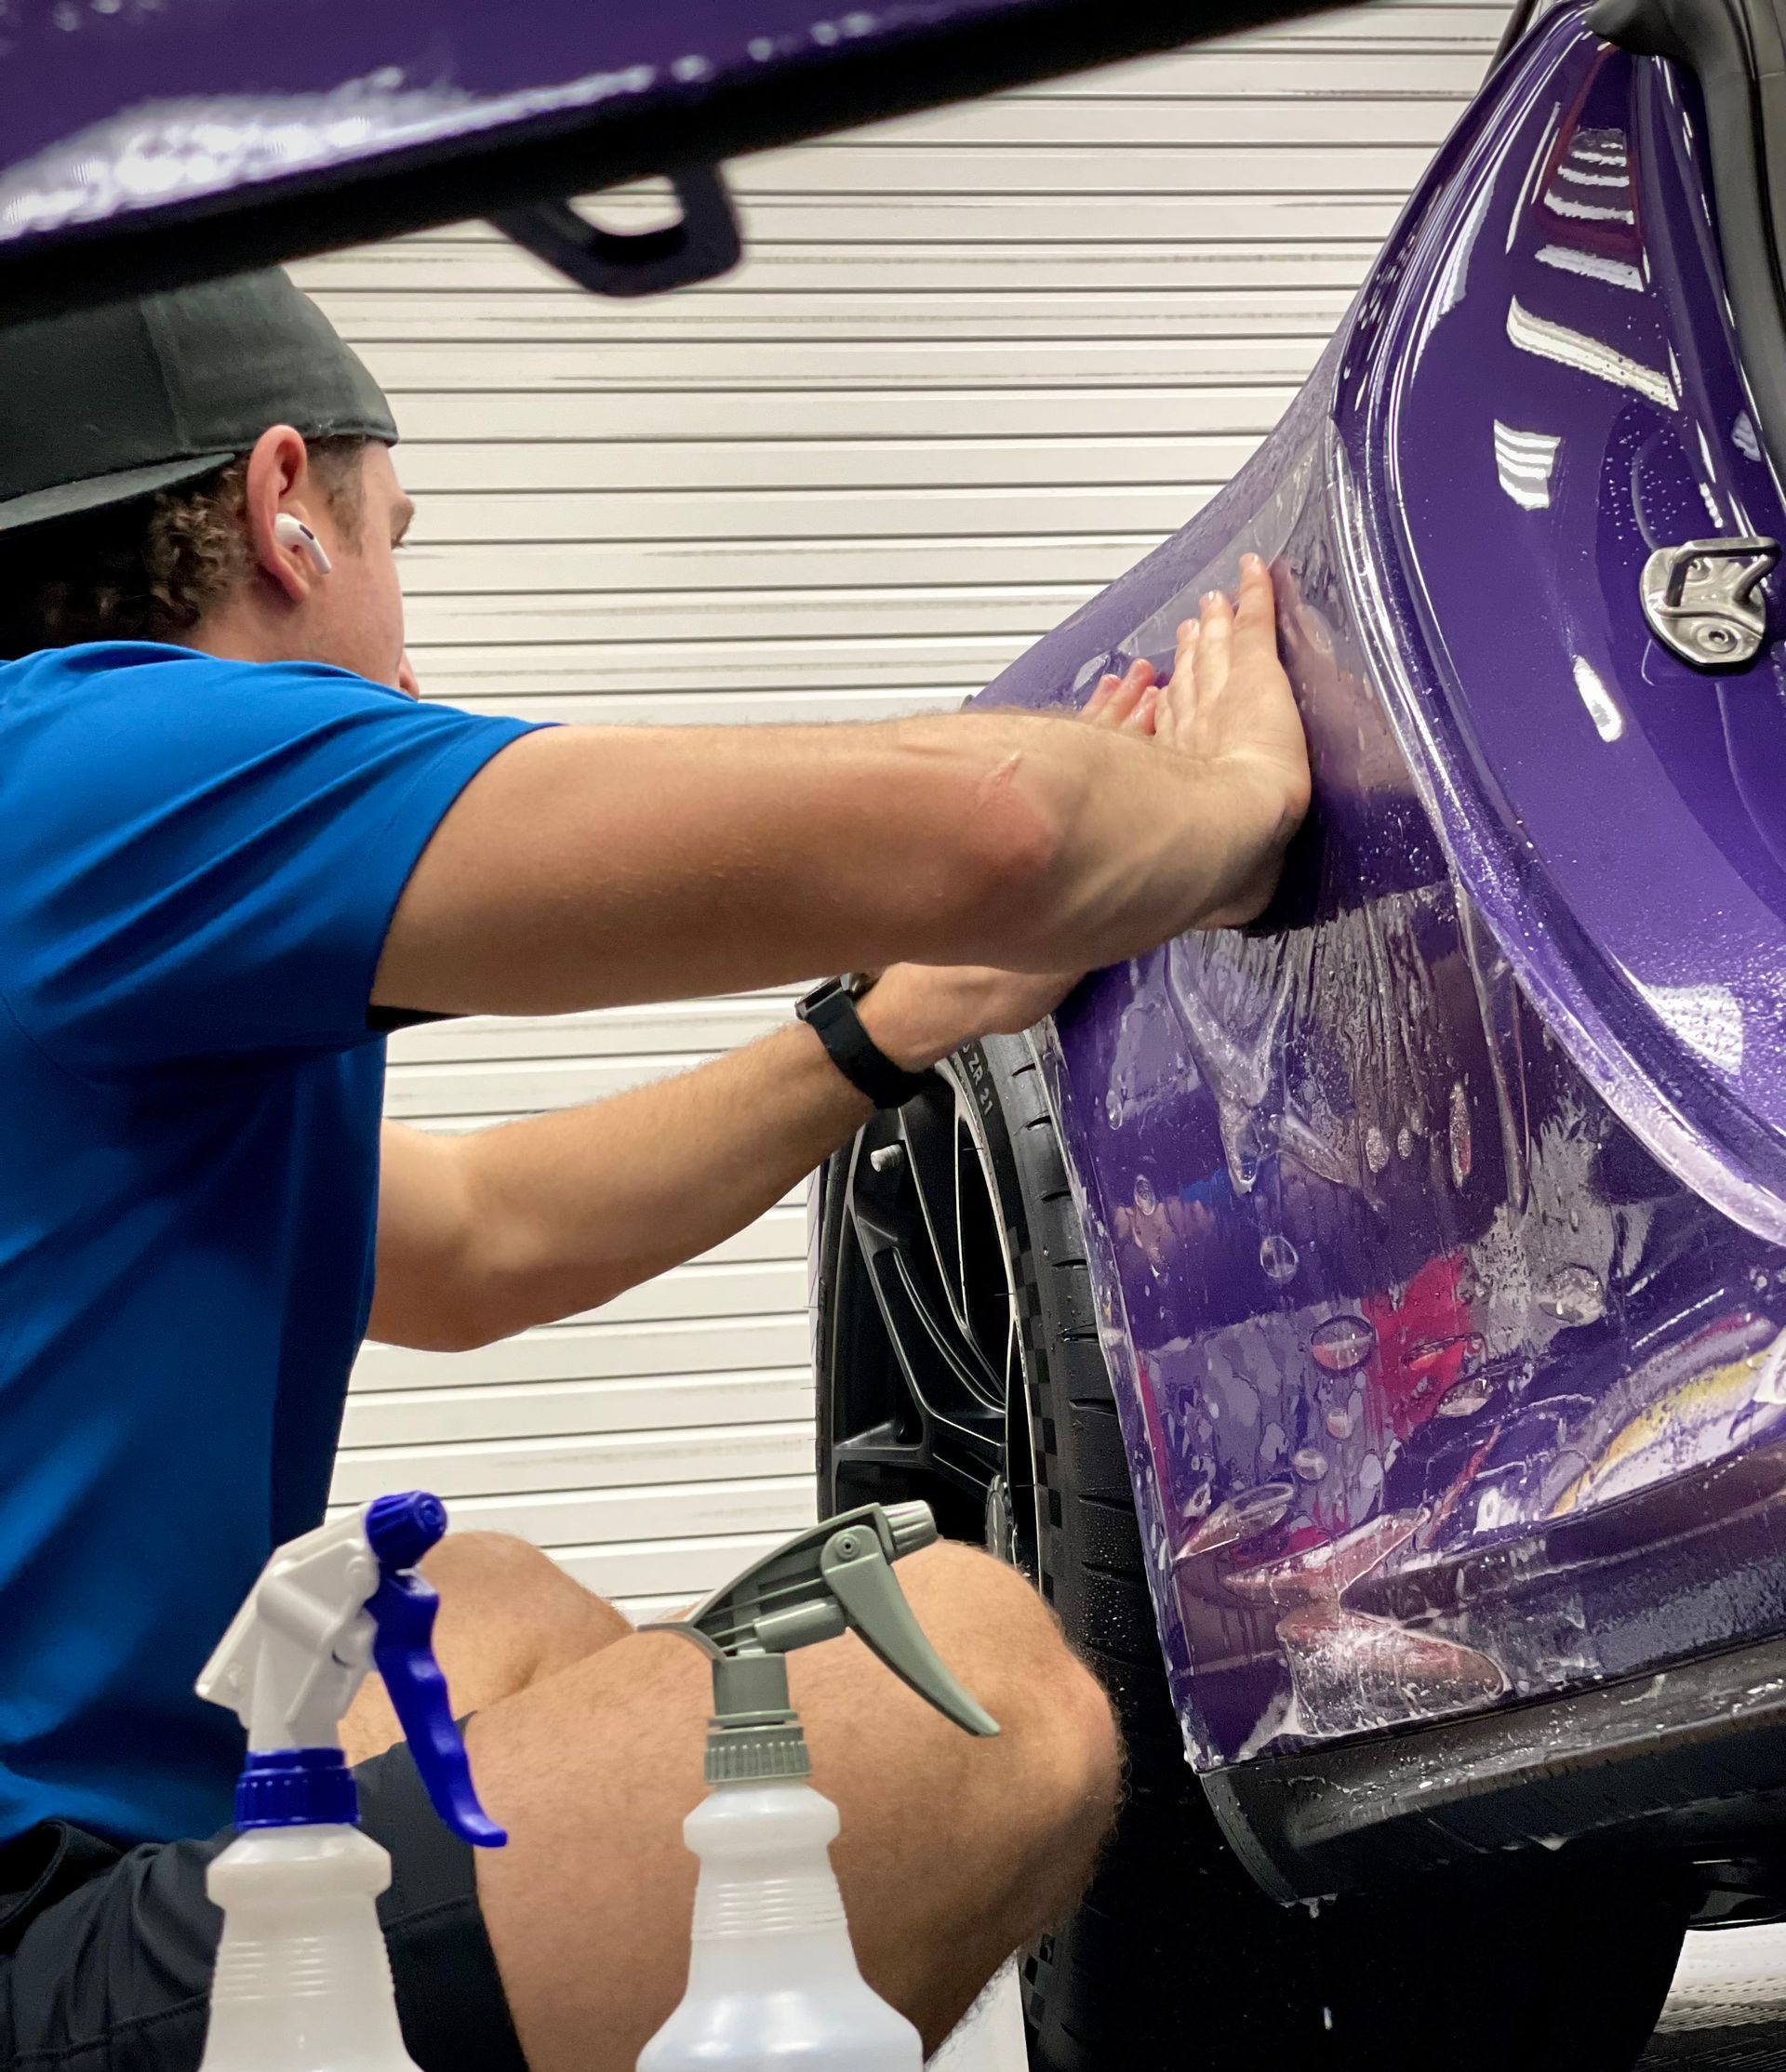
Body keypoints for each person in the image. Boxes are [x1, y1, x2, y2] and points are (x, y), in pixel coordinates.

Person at [0, 270, 1312, 2072]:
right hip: (25, 1934)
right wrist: (1233, 804)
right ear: (280, 503)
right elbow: (999, 826)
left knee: (479, 1602)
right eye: (402, 539)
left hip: (83, 1864)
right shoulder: (92, 755)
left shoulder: (73, 891)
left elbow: (469, 1243)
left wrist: (876, 1036)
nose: (407, 651)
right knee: (971, 1685)